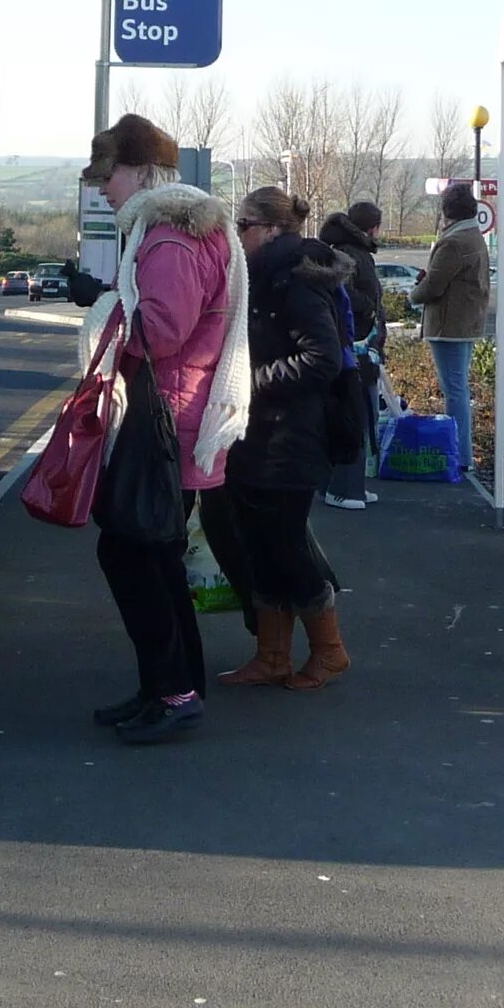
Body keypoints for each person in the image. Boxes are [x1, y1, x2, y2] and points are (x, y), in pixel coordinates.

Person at [75, 114, 249, 745]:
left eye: (109, 174)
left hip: (164, 425)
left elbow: (160, 332)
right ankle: (174, 688)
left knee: (130, 554)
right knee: (155, 558)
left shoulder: (168, 238)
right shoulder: (188, 229)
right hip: (180, 419)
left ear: (142, 172)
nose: (103, 188)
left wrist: (102, 309)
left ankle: (172, 693)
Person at [201, 186, 352, 690]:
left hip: (289, 437)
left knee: (285, 548)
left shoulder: (295, 279)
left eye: (242, 226)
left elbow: (321, 358)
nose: (236, 235)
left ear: (270, 229)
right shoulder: (264, 274)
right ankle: (272, 655)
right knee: (259, 546)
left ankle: (329, 652)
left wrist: (251, 382)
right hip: (261, 435)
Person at [407, 180, 492, 483]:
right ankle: (462, 454)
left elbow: (434, 286)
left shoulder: (453, 241)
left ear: (446, 211)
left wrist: (412, 294)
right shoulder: (473, 236)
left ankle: (459, 455)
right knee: (459, 388)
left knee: (454, 391)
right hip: (466, 323)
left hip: (448, 326)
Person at [317, 200, 388, 510]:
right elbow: (346, 293)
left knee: (357, 413)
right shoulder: (352, 253)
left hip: (354, 341)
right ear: (372, 227)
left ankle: (349, 484)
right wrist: (369, 308)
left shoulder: (341, 248)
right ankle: (344, 487)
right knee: (355, 414)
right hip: (356, 342)